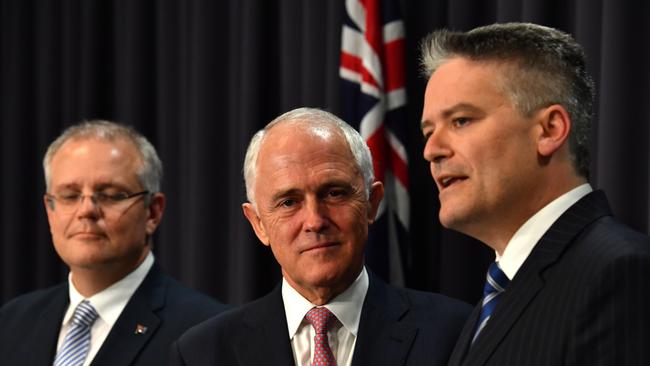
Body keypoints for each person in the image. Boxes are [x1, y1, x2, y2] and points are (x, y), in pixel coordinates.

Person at [419, 22, 650, 365]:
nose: (431, 150)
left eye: (461, 121)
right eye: (428, 131)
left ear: (549, 130)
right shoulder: (498, 294)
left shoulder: (621, 273)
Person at [170, 107, 471, 365]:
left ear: (371, 203)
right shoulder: (201, 354)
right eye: (289, 202)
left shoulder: (453, 333)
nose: (315, 221)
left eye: (334, 193)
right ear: (258, 223)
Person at [0, 120, 229, 365]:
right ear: (50, 210)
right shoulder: (12, 321)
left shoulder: (208, 333)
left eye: (110, 195)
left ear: (152, 212)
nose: (86, 210)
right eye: (70, 195)